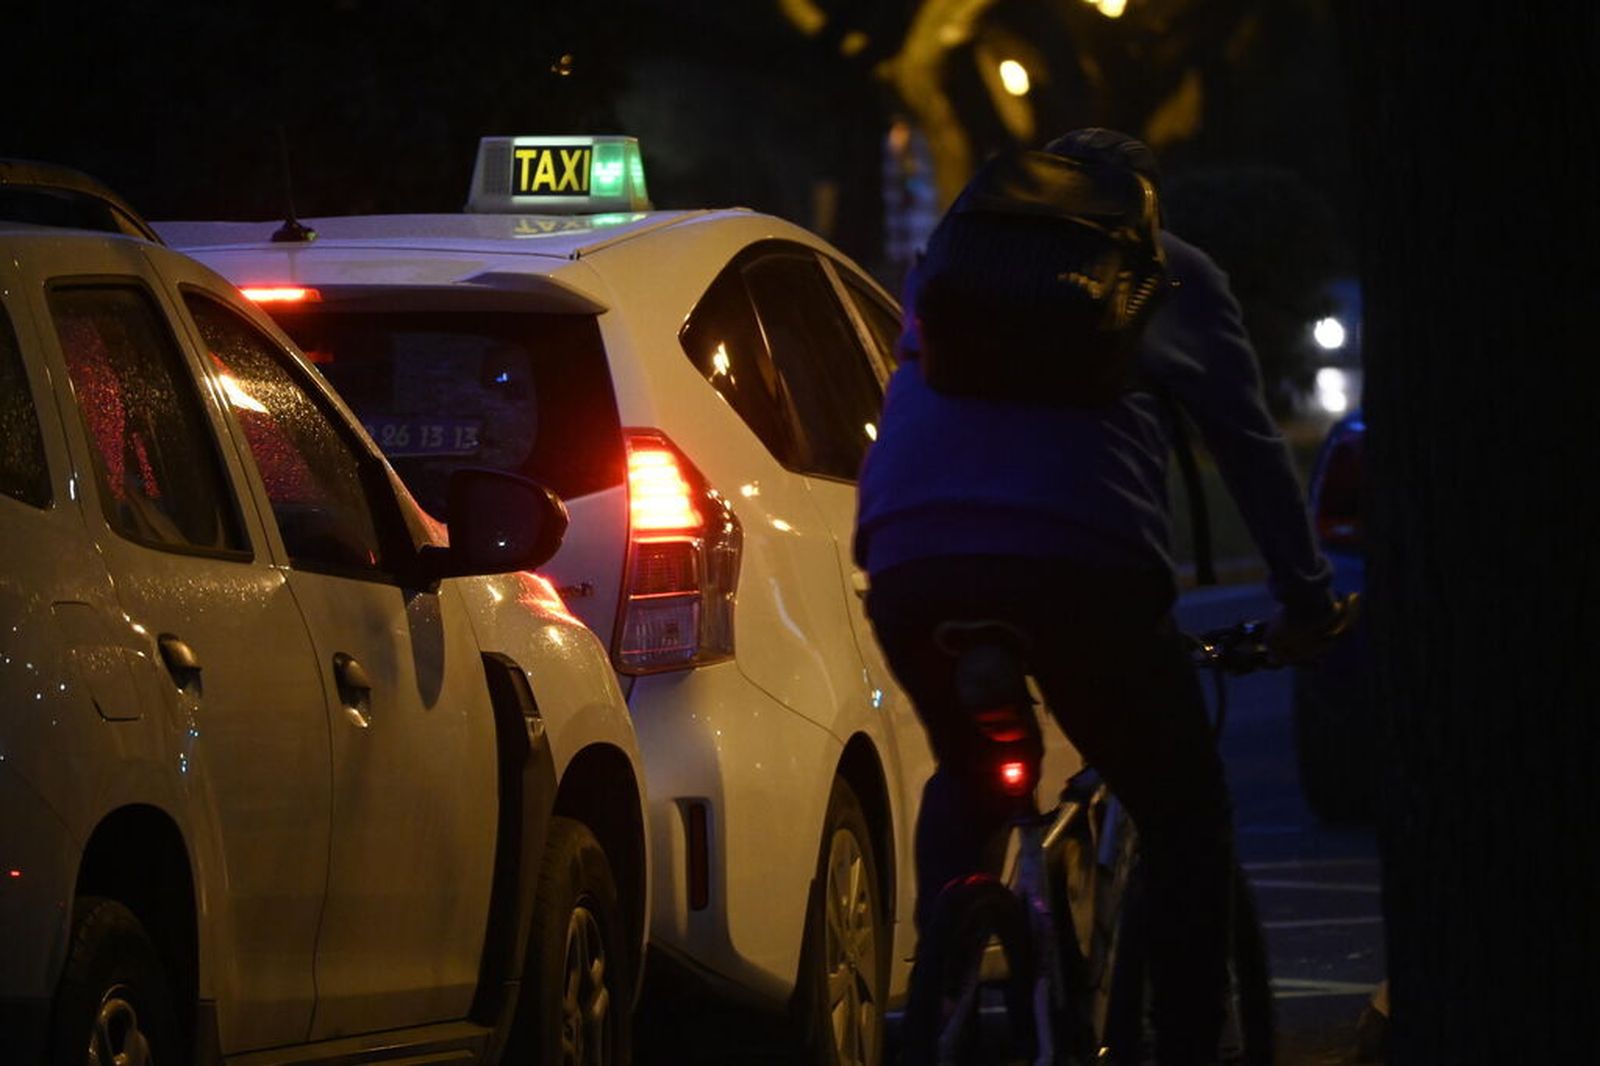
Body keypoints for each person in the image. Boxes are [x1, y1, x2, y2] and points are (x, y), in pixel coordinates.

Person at [855, 128, 1350, 1065]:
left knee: (971, 773)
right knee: (1182, 809)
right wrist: (1308, 601)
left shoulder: (950, 262)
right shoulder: (1168, 271)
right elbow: (1249, 447)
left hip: (911, 554)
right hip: (1081, 568)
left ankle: (943, 981)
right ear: (1139, 206)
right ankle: (1192, 1046)